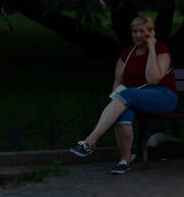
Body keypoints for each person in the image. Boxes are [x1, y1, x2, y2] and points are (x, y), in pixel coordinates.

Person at [70, 15, 177, 175]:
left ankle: (89, 141)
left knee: (127, 94)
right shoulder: (127, 53)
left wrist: (152, 48)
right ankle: (125, 160)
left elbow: (153, 79)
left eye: (142, 31)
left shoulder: (161, 49)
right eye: (134, 32)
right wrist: (116, 98)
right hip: (133, 98)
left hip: (163, 96)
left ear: (150, 33)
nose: (137, 35)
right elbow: (117, 82)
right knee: (122, 113)